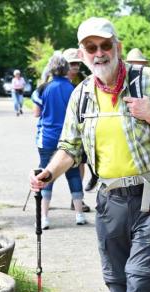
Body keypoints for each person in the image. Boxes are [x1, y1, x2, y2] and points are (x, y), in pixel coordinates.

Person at [30, 17, 150, 292]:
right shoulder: (82, 95)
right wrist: (48, 173)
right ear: (82, 54)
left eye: (105, 45)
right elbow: (69, 149)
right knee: (118, 288)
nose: (99, 53)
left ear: (118, 47)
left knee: (142, 284)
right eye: (91, 48)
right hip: (109, 201)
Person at [30, 53, 87, 229]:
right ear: (66, 68)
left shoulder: (43, 88)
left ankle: (44, 217)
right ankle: (79, 215)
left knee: (46, 174)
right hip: (67, 138)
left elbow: (36, 112)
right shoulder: (72, 88)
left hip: (47, 137)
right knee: (73, 174)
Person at [63, 47, 97, 200]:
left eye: (77, 63)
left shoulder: (84, 78)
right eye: (72, 64)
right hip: (61, 126)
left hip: (80, 126)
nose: (75, 67)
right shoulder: (56, 80)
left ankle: (76, 199)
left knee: (80, 163)